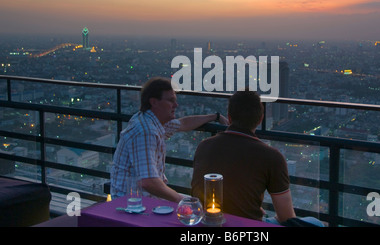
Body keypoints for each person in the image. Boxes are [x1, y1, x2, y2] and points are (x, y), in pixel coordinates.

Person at [191, 89, 323, 227]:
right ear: (260, 119)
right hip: (247, 225)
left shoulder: (204, 146)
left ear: (229, 118)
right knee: (316, 223)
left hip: (207, 221)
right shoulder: (272, 156)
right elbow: (286, 217)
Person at [110, 77, 228, 203]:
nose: (176, 105)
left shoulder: (149, 120)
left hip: (138, 198)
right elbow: (148, 182)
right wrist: (185, 201)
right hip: (132, 203)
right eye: (171, 100)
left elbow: (183, 124)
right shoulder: (145, 131)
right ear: (154, 102)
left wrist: (215, 116)